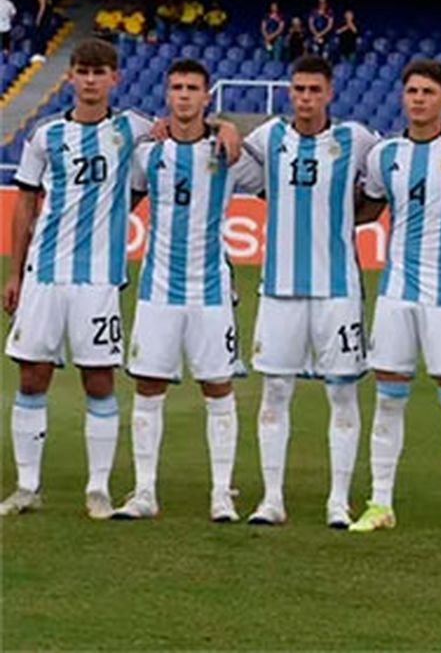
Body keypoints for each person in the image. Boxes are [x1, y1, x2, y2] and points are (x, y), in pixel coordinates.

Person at [0, 42, 150, 519]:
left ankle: (98, 489)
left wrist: (226, 128)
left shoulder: (133, 129)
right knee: (31, 374)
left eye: (98, 72)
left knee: (99, 378)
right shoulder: (46, 136)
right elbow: (25, 205)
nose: (89, 80)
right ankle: (27, 487)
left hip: (98, 280)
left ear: (115, 79)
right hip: (44, 275)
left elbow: (183, 131)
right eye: (82, 72)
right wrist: (15, 273)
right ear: (70, 77)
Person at [112, 59, 258, 522]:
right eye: (176, 87)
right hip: (158, 290)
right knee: (148, 386)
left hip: (211, 291)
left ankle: (220, 493)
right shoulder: (146, 153)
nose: (184, 95)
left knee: (218, 388)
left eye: (193, 88)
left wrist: (227, 127)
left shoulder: (229, 154)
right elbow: (127, 198)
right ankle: (144, 492)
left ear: (207, 96)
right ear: (167, 94)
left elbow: (278, 174)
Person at [241, 56, 381, 529]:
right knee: (274, 391)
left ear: (330, 93)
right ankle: (272, 499)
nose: (305, 97)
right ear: (289, 93)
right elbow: (227, 150)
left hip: (338, 290)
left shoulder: (356, 139)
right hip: (279, 288)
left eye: (314, 90)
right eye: (298, 89)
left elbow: (395, 161)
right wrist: (220, 126)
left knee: (342, 393)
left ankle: (338, 500)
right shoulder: (267, 137)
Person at [347, 60, 441, 536]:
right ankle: (380, 502)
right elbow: (369, 205)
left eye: (428, 91)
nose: (419, 99)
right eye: (412, 91)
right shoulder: (385, 155)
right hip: (395, 293)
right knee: (388, 399)